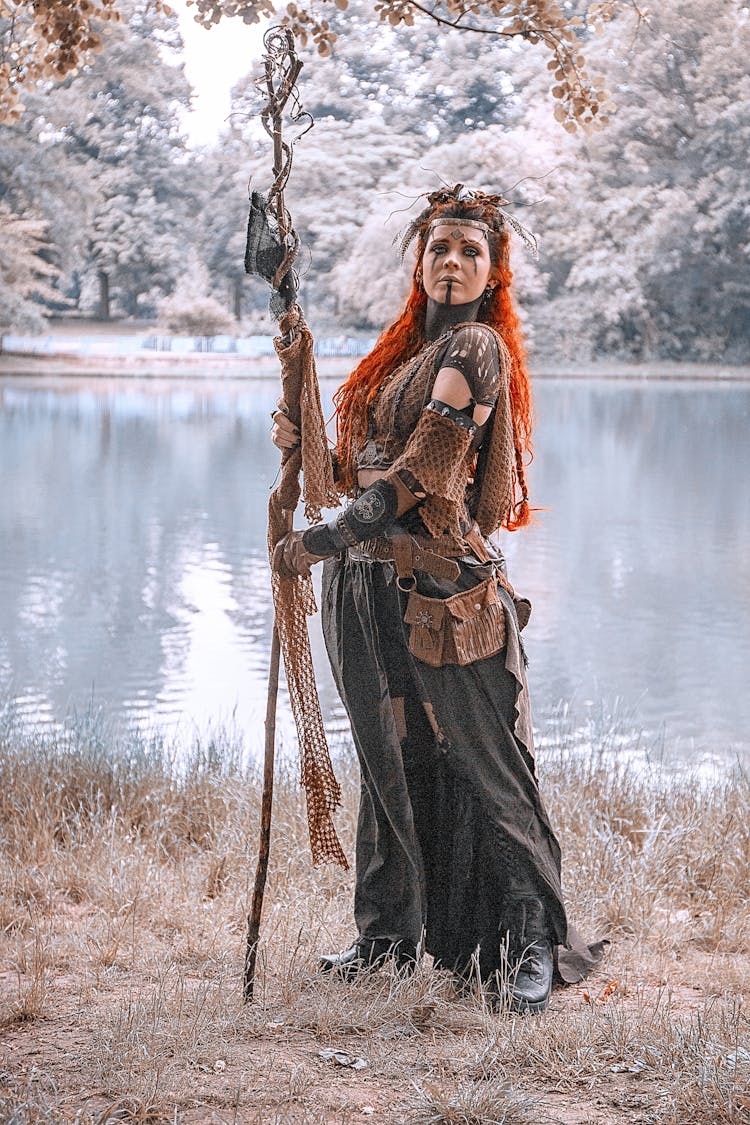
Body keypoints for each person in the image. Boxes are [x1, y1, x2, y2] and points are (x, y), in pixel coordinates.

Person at [270, 183, 602, 1014]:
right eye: (439, 249)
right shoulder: (393, 360)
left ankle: (530, 941)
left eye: (470, 251)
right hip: (365, 590)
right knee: (389, 760)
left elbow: (421, 472)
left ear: (492, 273)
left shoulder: (478, 350)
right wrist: (308, 447)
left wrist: (317, 540)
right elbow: (364, 467)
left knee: (490, 769)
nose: (452, 261)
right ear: (417, 264)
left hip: (447, 597)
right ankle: (387, 937)